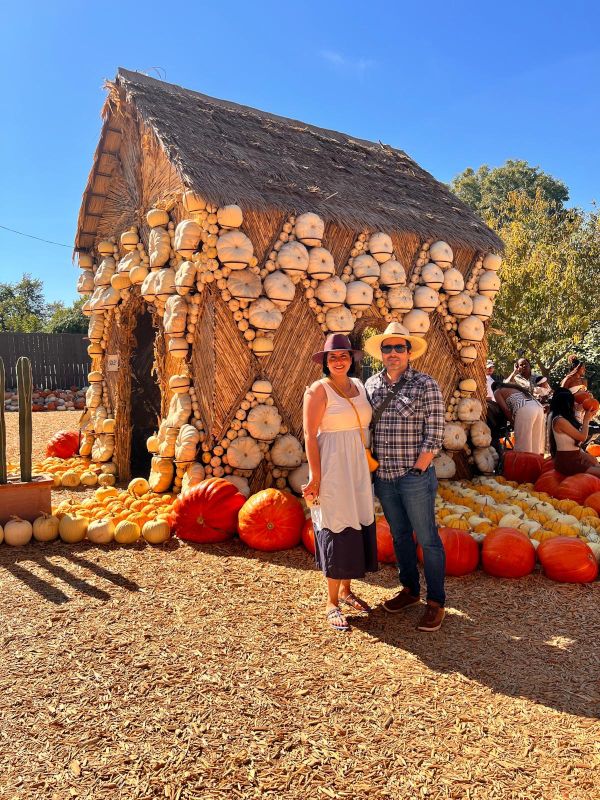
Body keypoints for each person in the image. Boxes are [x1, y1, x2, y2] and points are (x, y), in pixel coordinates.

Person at [363, 322, 446, 633]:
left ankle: (436, 601)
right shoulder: (371, 386)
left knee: (428, 539)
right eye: (388, 348)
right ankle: (410, 590)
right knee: (399, 537)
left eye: (400, 347)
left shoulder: (426, 385)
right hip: (384, 477)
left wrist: (419, 468)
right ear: (381, 353)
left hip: (415, 476)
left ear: (409, 352)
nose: (393, 353)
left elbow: (435, 431)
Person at [302, 333, 378, 632]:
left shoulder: (358, 386)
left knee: (355, 522)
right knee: (335, 522)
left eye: (343, 355)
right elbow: (309, 434)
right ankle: (331, 601)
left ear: (352, 359)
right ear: (324, 362)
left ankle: (346, 590)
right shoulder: (318, 391)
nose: (338, 360)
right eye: (332, 357)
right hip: (332, 465)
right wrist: (315, 475)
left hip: (357, 465)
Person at [548, 388, 600, 477]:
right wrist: (586, 419)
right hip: (567, 462)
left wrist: (582, 414)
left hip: (575, 456)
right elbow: (582, 437)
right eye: (573, 402)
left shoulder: (564, 418)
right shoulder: (559, 421)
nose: (575, 405)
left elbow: (579, 432)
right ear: (567, 404)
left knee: (594, 462)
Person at [493, 382, 545, 454]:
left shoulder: (497, 392)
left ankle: (523, 464)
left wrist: (513, 422)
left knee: (522, 444)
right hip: (538, 406)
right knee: (535, 443)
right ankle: (535, 463)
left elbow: (505, 409)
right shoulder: (515, 388)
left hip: (525, 407)